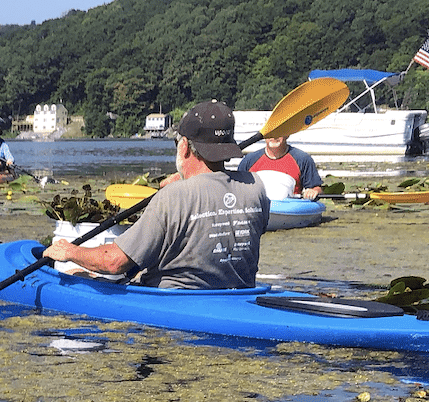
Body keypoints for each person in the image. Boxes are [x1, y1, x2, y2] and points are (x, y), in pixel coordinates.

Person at [43, 101, 267, 290]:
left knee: (74, 272)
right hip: (236, 295)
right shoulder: (256, 186)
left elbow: (114, 262)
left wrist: (70, 251)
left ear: (185, 147)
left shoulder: (173, 196)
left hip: (172, 303)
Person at [236, 134, 323, 200]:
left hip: (289, 209)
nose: (274, 137)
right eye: (270, 133)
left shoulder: (303, 159)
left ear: (287, 135)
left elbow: (317, 188)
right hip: (257, 208)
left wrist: (313, 191)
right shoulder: (249, 160)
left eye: (279, 132)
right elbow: (237, 188)